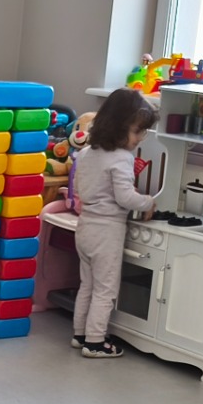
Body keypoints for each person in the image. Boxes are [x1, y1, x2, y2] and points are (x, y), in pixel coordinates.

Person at [71, 88, 159, 359]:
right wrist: (148, 202)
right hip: (107, 231)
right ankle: (95, 342)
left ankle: (80, 334)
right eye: (137, 131)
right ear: (118, 127)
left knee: (87, 285)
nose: (140, 138)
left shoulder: (86, 153)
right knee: (105, 289)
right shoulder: (121, 158)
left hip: (85, 226)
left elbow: (79, 188)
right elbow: (125, 197)